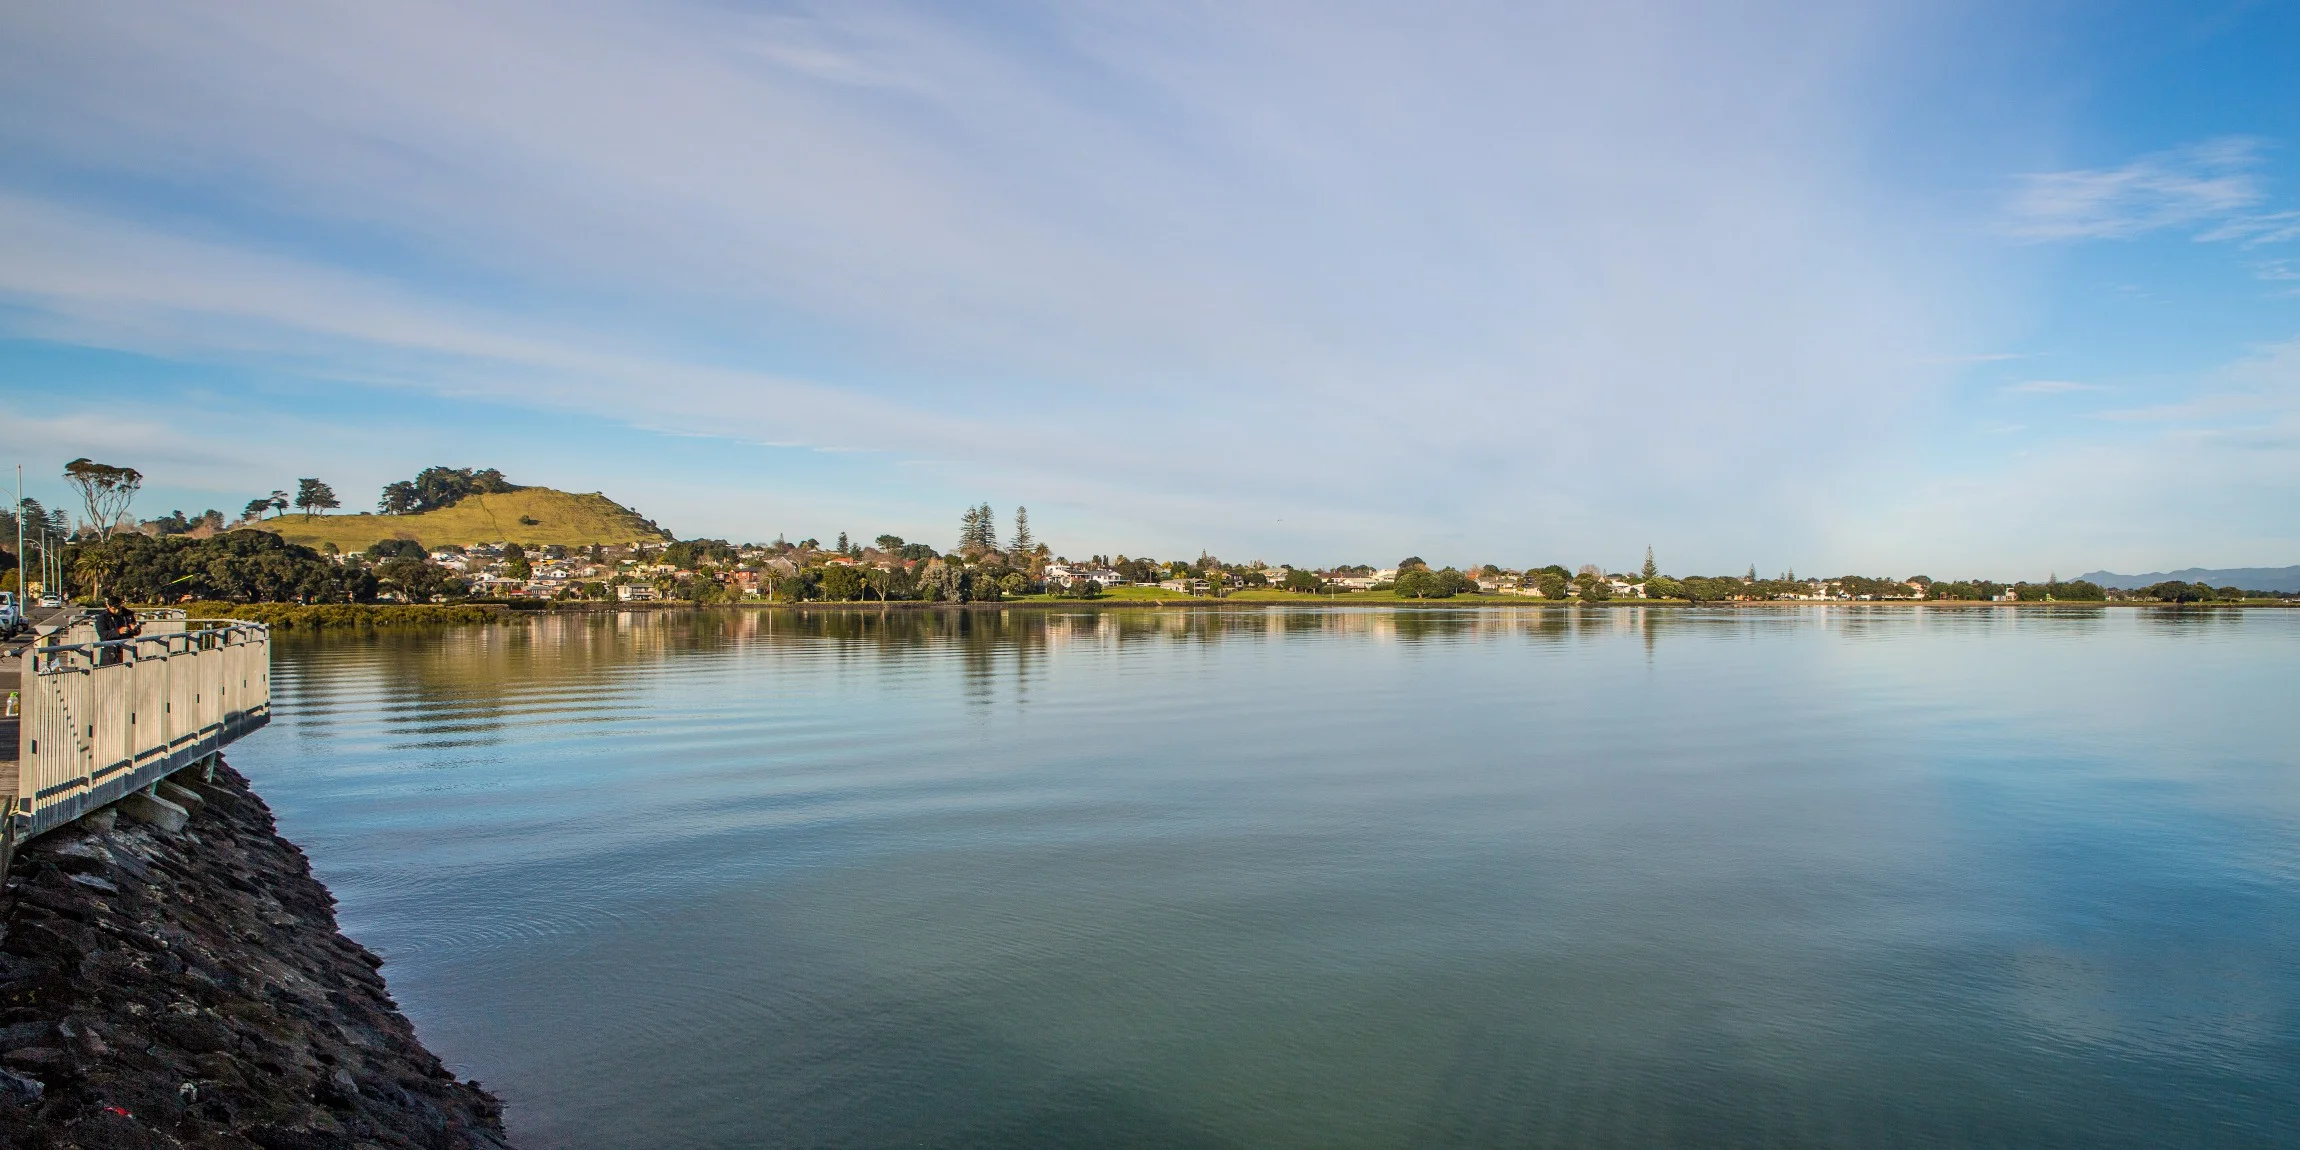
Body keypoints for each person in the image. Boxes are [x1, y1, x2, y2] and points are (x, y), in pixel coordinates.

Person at [94, 593, 141, 666]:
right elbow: (103, 635)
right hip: (111, 652)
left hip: (128, 650)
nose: (117, 611)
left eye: (119, 608)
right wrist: (118, 631)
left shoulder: (128, 614)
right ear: (108, 606)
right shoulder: (102, 618)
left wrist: (135, 629)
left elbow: (136, 632)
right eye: (114, 609)